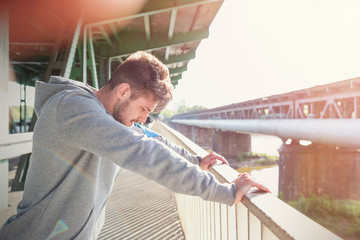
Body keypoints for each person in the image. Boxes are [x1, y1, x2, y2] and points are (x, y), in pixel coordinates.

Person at [0, 51, 270, 240]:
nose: (144, 119)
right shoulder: (72, 108)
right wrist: (225, 192)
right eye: (143, 108)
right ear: (123, 91)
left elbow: (150, 138)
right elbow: (144, 151)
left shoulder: (110, 117)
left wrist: (195, 160)